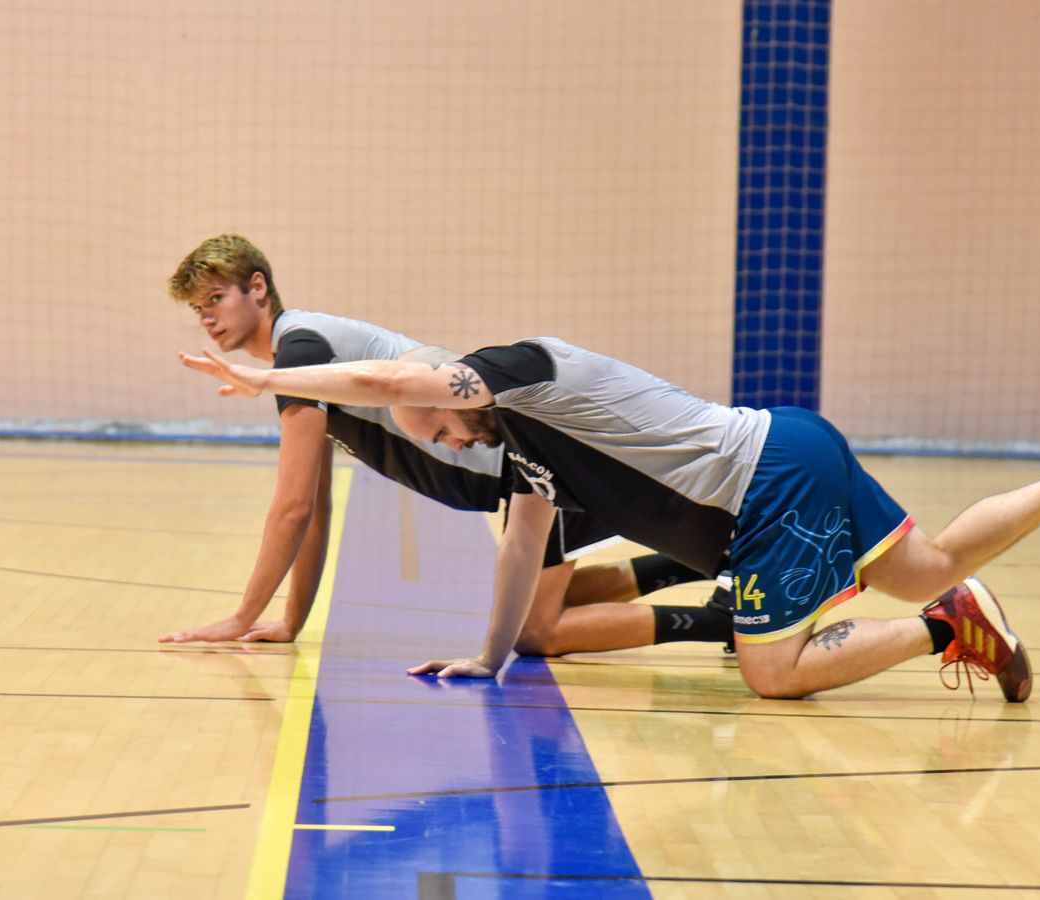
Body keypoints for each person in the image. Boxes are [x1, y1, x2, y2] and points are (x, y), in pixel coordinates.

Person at [177, 335, 1040, 700]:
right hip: (792, 456)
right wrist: (487, 658)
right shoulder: (522, 455)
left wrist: (267, 375)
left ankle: (946, 628)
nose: (436, 440)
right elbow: (523, 551)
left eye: (433, 424)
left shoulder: (521, 374)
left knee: (771, 675)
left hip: (767, 483)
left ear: (459, 392)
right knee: (929, 559)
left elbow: (392, 371)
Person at [157, 235, 731, 655]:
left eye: (216, 298)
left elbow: (293, 508)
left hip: (533, 467)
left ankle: (725, 621)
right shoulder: (304, 353)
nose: (207, 318)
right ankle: (689, 566)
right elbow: (314, 505)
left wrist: (242, 617)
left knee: (537, 631)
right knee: (545, 603)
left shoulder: (301, 350)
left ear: (258, 288)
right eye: (197, 309)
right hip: (520, 477)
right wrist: (288, 622)